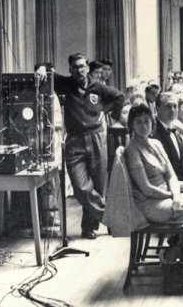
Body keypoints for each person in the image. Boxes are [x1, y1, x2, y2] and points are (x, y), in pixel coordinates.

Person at [36, 53, 125, 239]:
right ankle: (110, 217)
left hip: (97, 138)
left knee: (98, 185)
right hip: (74, 140)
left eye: (82, 66)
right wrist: (42, 67)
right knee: (81, 187)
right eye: (75, 67)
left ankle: (88, 228)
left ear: (88, 68)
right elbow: (44, 65)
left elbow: (119, 97)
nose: (79, 70)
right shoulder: (65, 84)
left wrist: (105, 110)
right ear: (70, 70)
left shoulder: (98, 87)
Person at [124, 104, 183, 260]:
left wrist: (176, 198)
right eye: (138, 122)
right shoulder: (132, 149)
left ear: (152, 121)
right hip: (149, 203)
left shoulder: (155, 143)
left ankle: (180, 248)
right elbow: (146, 189)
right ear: (131, 125)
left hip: (167, 197)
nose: (144, 126)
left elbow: (171, 176)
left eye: (147, 121)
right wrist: (173, 197)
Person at [151, 92, 183, 195]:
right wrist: (179, 186)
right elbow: (155, 173)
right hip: (168, 192)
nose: (173, 110)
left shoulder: (179, 131)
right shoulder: (152, 135)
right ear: (157, 109)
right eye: (168, 106)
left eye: (175, 106)